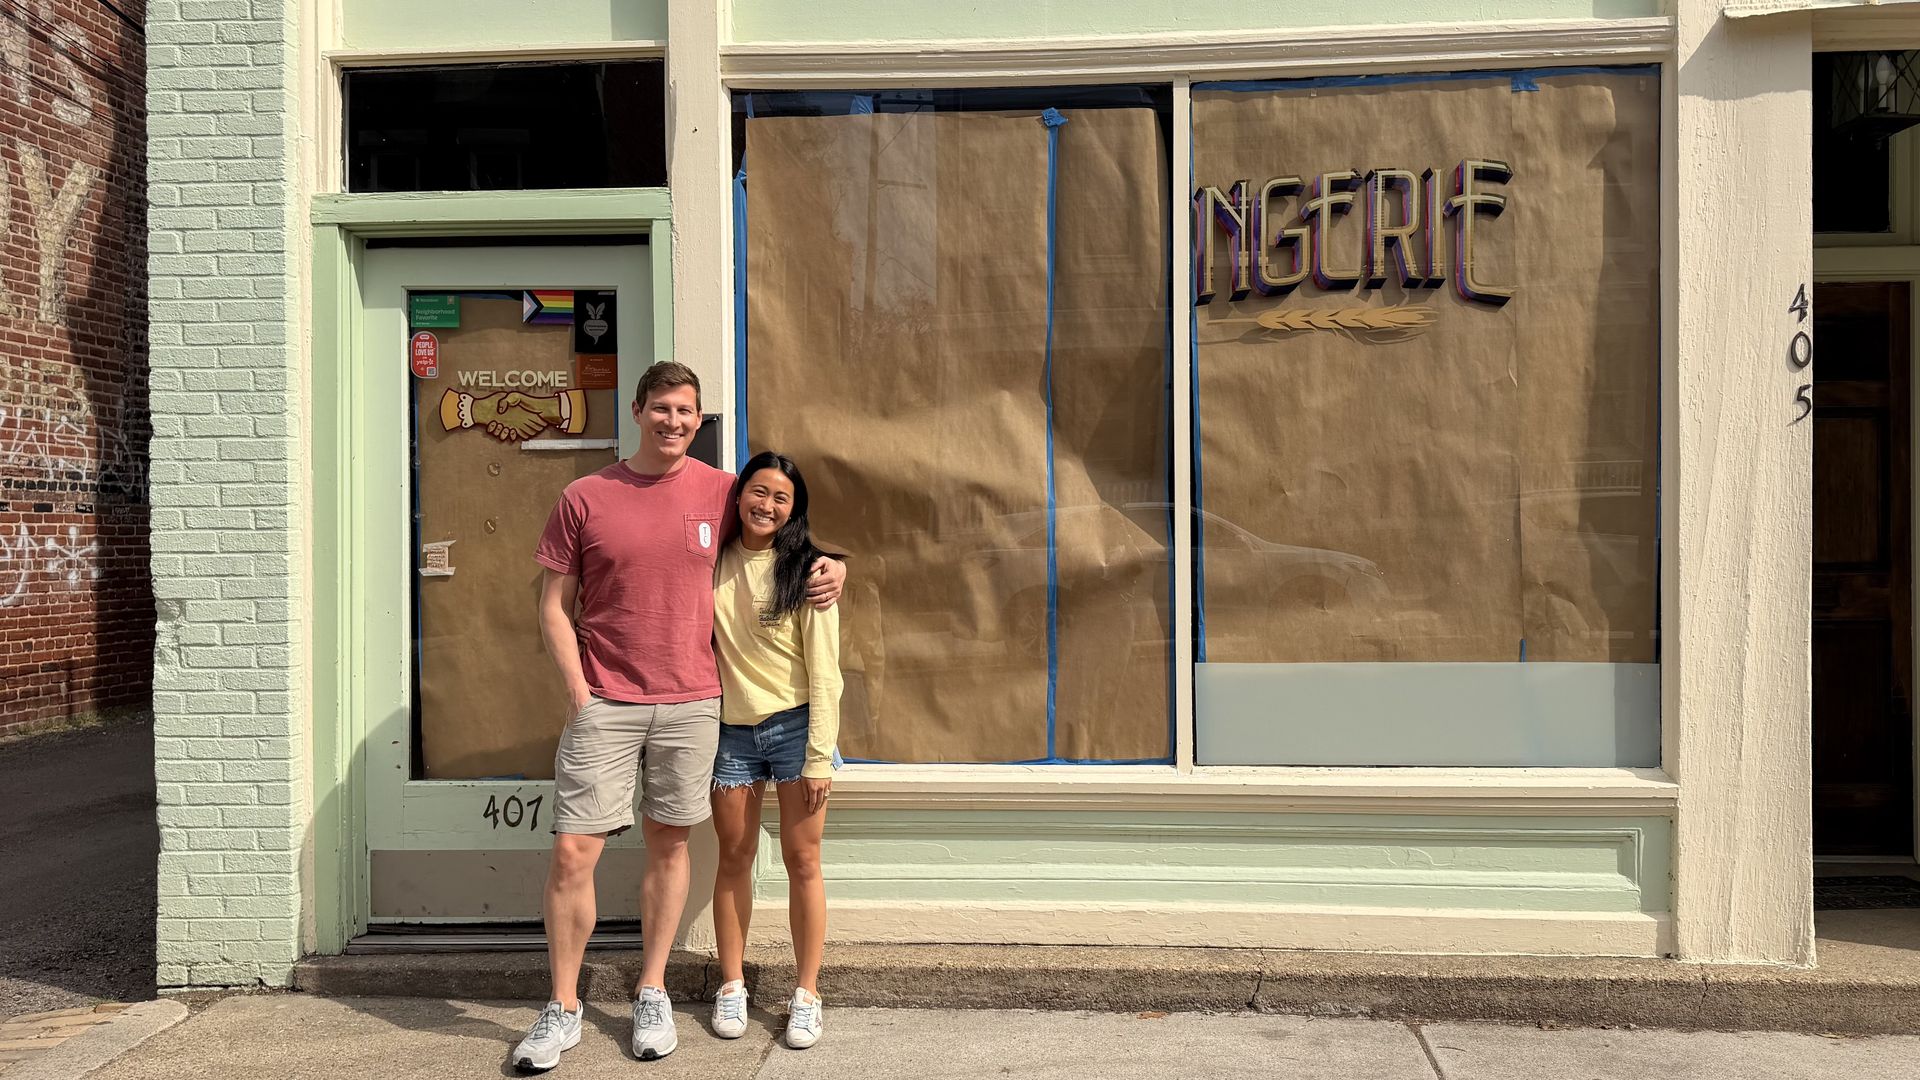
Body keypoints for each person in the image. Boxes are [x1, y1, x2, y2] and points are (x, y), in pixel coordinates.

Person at [511, 363, 845, 1072]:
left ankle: (653, 990)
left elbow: (780, 531)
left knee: (669, 846)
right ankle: (563, 1007)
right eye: (661, 407)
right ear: (638, 410)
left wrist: (835, 566)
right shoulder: (584, 496)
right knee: (574, 854)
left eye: (685, 411)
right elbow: (552, 606)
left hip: (695, 703)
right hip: (604, 701)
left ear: (699, 420)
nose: (673, 420)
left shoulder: (721, 492)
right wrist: (577, 689)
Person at [706, 452, 842, 1051]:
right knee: (733, 858)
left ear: (794, 509)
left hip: (794, 731)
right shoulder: (709, 562)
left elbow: (827, 674)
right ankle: (731, 983)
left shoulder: (809, 572)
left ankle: (807, 994)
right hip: (732, 734)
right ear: (739, 497)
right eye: (758, 492)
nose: (766, 505)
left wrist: (819, 756)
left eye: (780, 498)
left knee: (802, 860)